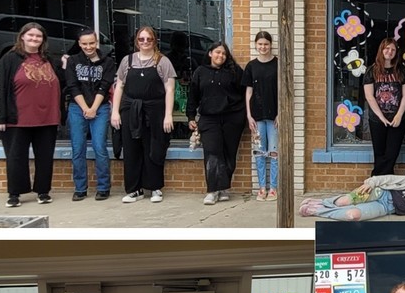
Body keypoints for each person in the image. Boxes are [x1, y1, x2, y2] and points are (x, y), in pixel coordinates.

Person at [0, 22, 62, 208]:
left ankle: (43, 192)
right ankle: (14, 194)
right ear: (22, 36)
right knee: (16, 158)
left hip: (47, 119)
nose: (34, 39)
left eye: (38, 36)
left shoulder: (49, 59)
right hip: (17, 119)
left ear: (43, 40)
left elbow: (61, 83)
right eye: (31, 35)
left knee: (45, 157)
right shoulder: (9, 59)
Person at [111, 25, 176, 204]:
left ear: (155, 41)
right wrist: (115, 112)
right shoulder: (127, 61)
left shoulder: (163, 62)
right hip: (130, 111)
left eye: (149, 39)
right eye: (141, 39)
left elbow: (170, 90)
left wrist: (168, 115)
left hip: (155, 111)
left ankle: (155, 187)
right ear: (136, 41)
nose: (145, 42)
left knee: (153, 149)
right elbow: (119, 87)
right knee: (131, 150)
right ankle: (134, 190)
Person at [188, 41, 246, 205]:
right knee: (212, 152)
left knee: (229, 153)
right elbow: (193, 96)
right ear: (210, 53)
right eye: (217, 52)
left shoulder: (234, 72)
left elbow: (246, 93)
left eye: (224, 53)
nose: (221, 56)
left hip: (232, 118)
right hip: (209, 118)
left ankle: (224, 188)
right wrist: (191, 116)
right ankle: (212, 191)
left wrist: (244, 115)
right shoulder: (200, 72)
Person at [64, 28, 116, 201]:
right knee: (78, 148)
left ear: (97, 42)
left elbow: (105, 86)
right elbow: (72, 86)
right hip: (77, 108)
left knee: (99, 146)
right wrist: (85, 108)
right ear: (79, 44)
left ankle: (103, 187)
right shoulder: (72, 61)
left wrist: (93, 108)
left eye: (92, 43)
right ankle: (80, 188)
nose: (88, 47)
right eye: (84, 44)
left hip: (100, 107)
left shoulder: (107, 62)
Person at [299, 170, 405, 221]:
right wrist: (372, 182)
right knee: (344, 201)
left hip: (386, 207)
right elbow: (393, 179)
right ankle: (321, 201)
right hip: (382, 192)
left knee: (353, 215)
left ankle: (316, 210)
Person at [363, 37, 405, 177]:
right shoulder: (371, 71)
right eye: (387, 48)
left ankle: (377, 179)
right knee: (379, 152)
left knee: (392, 153)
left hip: (397, 119)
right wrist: (381, 117)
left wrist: (399, 115)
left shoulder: (402, 71)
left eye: (393, 49)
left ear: (396, 52)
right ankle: (380, 180)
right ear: (381, 50)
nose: (390, 52)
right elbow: (369, 96)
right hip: (377, 119)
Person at [243, 30, 279, 201]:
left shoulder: (278, 64)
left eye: (266, 44)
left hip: (274, 118)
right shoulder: (251, 66)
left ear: (270, 45)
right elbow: (248, 92)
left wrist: (281, 113)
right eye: (260, 44)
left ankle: (273, 188)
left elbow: (283, 91)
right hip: (256, 117)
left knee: (274, 153)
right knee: (259, 152)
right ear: (256, 45)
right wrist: (249, 115)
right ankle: (261, 188)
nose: (263, 47)